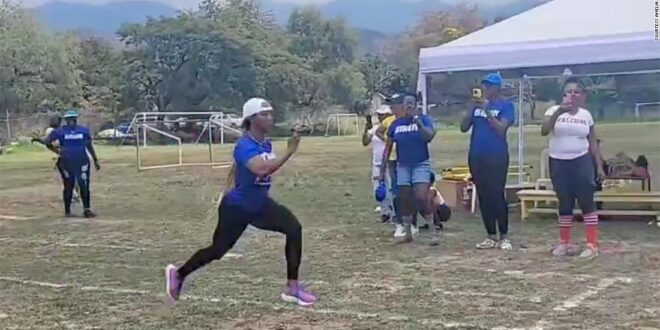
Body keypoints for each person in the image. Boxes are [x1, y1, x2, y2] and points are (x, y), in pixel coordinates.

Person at [165, 98, 316, 306]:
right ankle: (179, 274)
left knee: (294, 228)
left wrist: (295, 134)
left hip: (260, 205)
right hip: (237, 208)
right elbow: (261, 169)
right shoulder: (243, 145)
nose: (270, 117)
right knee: (218, 250)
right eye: (265, 114)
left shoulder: (265, 142)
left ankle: (292, 287)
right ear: (251, 119)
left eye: (271, 113)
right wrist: (289, 152)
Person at [541, 77, 605, 258]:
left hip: (581, 161)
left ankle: (592, 245)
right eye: (569, 92)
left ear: (582, 96)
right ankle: (564, 243)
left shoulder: (586, 115)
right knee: (564, 201)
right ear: (563, 94)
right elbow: (544, 130)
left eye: (576, 92)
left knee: (586, 200)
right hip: (558, 161)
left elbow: (592, 141)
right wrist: (558, 112)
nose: (572, 95)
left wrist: (599, 165)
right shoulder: (553, 110)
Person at [460, 72, 515, 251]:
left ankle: (504, 236)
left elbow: (501, 130)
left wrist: (488, 111)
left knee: (496, 194)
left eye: (490, 85)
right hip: (477, 155)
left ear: (498, 88)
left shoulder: (506, 106)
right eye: (484, 85)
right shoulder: (476, 106)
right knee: (483, 195)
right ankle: (490, 235)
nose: (486, 88)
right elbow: (463, 127)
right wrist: (471, 108)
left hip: (497, 155)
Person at [380, 93, 438, 245]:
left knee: (421, 197)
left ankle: (432, 230)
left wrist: (417, 122)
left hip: (420, 163)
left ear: (416, 105)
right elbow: (388, 148)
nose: (408, 107)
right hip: (403, 165)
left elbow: (429, 136)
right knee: (403, 197)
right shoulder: (396, 124)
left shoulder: (424, 120)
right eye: (405, 105)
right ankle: (407, 231)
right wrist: (382, 170)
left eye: (411, 104)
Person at [41, 110, 100, 218]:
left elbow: (89, 146)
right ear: (66, 120)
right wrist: (56, 151)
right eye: (69, 119)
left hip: (82, 162)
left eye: (72, 119)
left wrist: (95, 160)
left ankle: (87, 209)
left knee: (84, 185)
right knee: (69, 185)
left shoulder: (83, 131)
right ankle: (68, 211)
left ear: (75, 119)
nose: (71, 121)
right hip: (66, 163)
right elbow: (46, 141)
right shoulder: (60, 131)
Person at [33, 115, 81, 203]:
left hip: (67, 155)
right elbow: (51, 142)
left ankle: (73, 194)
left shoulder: (58, 131)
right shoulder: (55, 131)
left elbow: (50, 142)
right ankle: (73, 194)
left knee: (70, 177)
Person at [362, 106, 394, 222]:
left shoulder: (393, 127)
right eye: (379, 114)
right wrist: (366, 128)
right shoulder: (376, 128)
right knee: (379, 189)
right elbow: (365, 142)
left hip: (391, 161)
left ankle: (394, 211)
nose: (380, 116)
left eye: (383, 114)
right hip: (377, 163)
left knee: (391, 188)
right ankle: (385, 211)